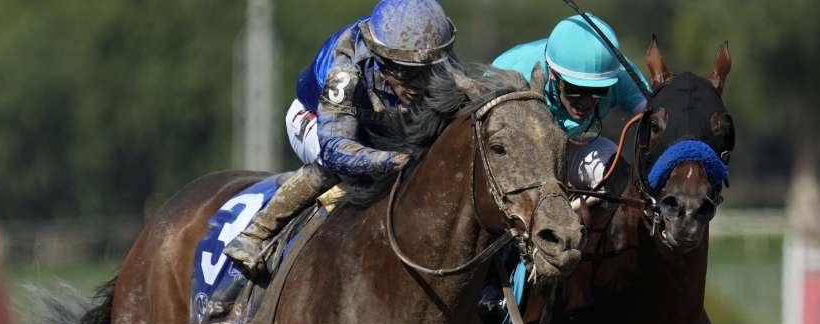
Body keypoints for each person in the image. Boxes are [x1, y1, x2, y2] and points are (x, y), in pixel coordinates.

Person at [224, 0, 458, 276]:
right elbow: (336, 148)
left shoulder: (433, 52)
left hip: (379, 124)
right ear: (381, 59)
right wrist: (395, 160)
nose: (419, 84)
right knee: (338, 167)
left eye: (427, 70)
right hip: (315, 119)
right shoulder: (344, 68)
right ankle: (255, 234)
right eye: (406, 72)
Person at [491, 13, 647, 191]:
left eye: (598, 91)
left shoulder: (620, 74)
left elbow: (659, 115)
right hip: (520, 151)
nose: (586, 102)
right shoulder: (513, 74)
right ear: (553, 75)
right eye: (575, 89)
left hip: (574, 148)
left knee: (619, 176)